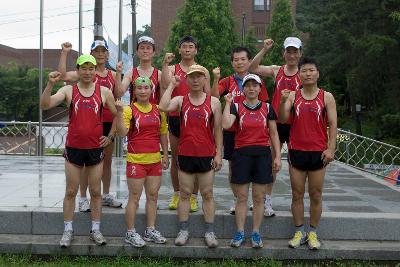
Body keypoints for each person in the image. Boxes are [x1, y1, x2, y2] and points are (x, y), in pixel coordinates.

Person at [40, 55, 117, 248]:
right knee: (71, 191)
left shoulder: (105, 91)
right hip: (74, 149)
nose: (88, 72)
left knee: (96, 192)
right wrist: (50, 85)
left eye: (91, 68)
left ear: (94, 70)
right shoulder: (68, 90)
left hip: (95, 149)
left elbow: (119, 113)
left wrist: (110, 136)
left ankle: (96, 230)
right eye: (84, 68)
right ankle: (68, 230)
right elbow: (45, 105)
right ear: (78, 70)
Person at [159, 64, 222, 248]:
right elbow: (163, 106)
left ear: (204, 80)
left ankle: (210, 232)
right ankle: (184, 230)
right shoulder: (180, 100)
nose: (195, 80)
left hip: (206, 154)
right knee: (185, 194)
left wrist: (219, 154)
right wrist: (171, 85)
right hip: (185, 154)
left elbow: (218, 130)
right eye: (192, 77)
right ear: (186, 80)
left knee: (207, 194)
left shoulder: (214, 102)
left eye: (199, 77)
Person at [279, 57, 337, 250]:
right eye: (304, 71)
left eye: (311, 70)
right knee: (297, 194)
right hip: (297, 151)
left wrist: (331, 148)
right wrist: (283, 100)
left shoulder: (326, 96)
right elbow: (283, 117)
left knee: (316, 194)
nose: (307, 74)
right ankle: (298, 231)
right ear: (299, 75)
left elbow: (333, 123)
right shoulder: (294, 96)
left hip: (318, 152)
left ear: (317, 73)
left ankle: (312, 233)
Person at [58, 40, 123, 211]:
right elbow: (63, 75)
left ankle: (106, 194)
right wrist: (65, 53)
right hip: (90, 119)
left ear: (108, 54)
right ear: (91, 54)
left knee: (106, 161)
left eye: (103, 51)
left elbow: (119, 95)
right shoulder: (85, 71)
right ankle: (83, 197)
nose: (101, 54)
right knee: (87, 164)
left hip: (109, 121)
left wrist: (119, 74)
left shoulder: (112, 73)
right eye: (97, 51)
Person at [222, 74, 281, 248]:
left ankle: (255, 233)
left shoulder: (267, 107)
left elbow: (274, 133)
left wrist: (277, 156)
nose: (251, 88)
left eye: (255, 85)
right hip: (241, 154)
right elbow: (226, 124)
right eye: (248, 85)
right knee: (241, 197)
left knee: (259, 197)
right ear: (243, 89)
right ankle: (240, 232)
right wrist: (227, 103)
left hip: (262, 155)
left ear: (260, 88)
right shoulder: (236, 106)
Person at [248, 37, 303, 217]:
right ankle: (266, 201)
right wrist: (264, 50)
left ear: (300, 53)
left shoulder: (305, 73)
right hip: (276, 123)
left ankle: (297, 202)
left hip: (296, 123)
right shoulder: (277, 70)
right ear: (283, 53)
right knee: (271, 162)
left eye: (295, 51)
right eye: (289, 51)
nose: (292, 55)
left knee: (295, 165)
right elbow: (252, 68)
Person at [211, 47, 269, 215]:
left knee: (256, 167)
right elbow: (214, 97)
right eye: (236, 59)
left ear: (249, 61)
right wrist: (215, 79)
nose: (239, 62)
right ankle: (238, 199)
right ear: (232, 62)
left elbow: (264, 105)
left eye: (243, 59)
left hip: (254, 133)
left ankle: (257, 200)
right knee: (233, 168)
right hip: (232, 131)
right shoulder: (227, 81)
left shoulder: (257, 82)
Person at [115, 76, 169, 247]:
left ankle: (150, 230)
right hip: (136, 161)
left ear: (151, 90)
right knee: (135, 197)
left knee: (153, 196)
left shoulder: (158, 109)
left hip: (154, 161)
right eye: (140, 88)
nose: (143, 91)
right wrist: (118, 112)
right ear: (134, 91)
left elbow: (163, 133)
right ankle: (130, 232)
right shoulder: (129, 110)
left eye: (146, 87)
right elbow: (123, 133)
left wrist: (166, 155)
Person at [161, 36, 211, 212]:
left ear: (196, 50)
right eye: (184, 46)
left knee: (196, 158)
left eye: (191, 46)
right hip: (176, 116)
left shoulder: (202, 70)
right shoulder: (173, 68)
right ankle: (177, 193)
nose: (188, 49)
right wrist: (165, 65)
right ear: (179, 49)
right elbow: (165, 86)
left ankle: (193, 197)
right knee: (177, 158)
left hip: (197, 119)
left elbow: (209, 95)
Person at [114, 36, 162, 103]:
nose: (145, 51)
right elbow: (119, 94)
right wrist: (118, 73)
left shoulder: (159, 74)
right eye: (142, 48)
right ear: (137, 51)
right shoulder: (130, 73)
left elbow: (163, 100)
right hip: (134, 112)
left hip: (154, 113)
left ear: (153, 52)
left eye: (148, 48)